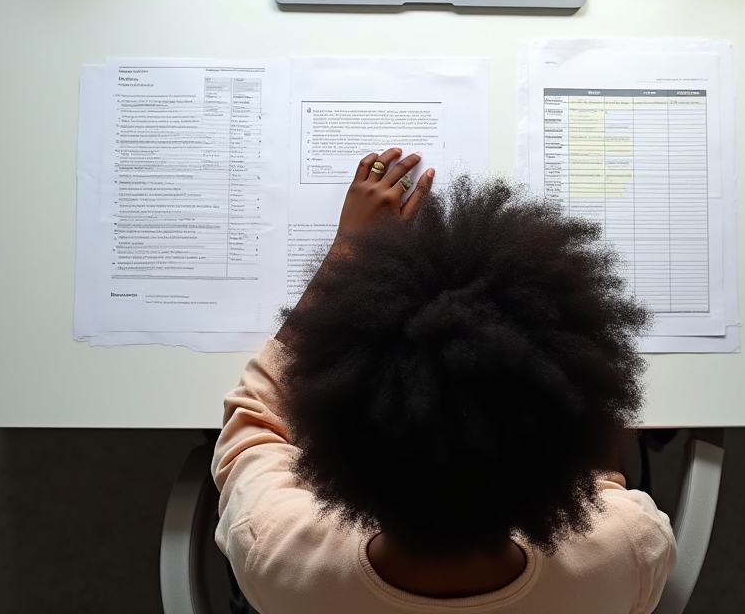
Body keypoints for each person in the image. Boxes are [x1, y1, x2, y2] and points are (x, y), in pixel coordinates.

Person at [212, 148, 677, 614]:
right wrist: (575, 406)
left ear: (331, 451)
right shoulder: (630, 552)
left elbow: (254, 422)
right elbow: (600, 483)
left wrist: (347, 253)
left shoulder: (274, 553)